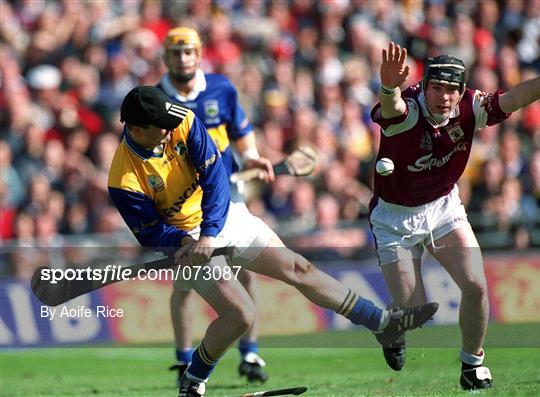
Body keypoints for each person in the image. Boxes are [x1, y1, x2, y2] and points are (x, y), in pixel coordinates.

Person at [108, 85, 439, 397]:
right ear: (137, 131)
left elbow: (215, 179)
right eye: (160, 127)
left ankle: (381, 324)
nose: (169, 129)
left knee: (299, 267)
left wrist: (210, 232)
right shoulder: (124, 178)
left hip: (221, 214)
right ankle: (193, 381)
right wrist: (186, 242)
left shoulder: (181, 119)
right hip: (186, 237)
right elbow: (150, 232)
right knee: (241, 314)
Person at [369, 42, 540, 390]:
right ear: (425, 87)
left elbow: (514, 99)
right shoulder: (409, 110)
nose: (444, 97)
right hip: (394, 220)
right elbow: (394, 106)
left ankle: (472, 365)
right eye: (437, 88)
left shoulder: (470, 107)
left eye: (451, 90)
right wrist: (388, 87)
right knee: (412, 311)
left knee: (476, 285)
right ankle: (392, 329)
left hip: (443, 207)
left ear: (461, 91)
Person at [157, 26, 273, 384]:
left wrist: (250, 157)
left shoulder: (221, 88)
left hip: (227, 196)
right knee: (185, 283)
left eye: (188, 52)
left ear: (199, 53)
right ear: (166, 57)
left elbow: (240, 131)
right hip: (184, 204)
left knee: (247, 271)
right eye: (176, 53)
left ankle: (250, 353)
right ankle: (183, 360)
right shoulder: (154, 99)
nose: (182, 59)